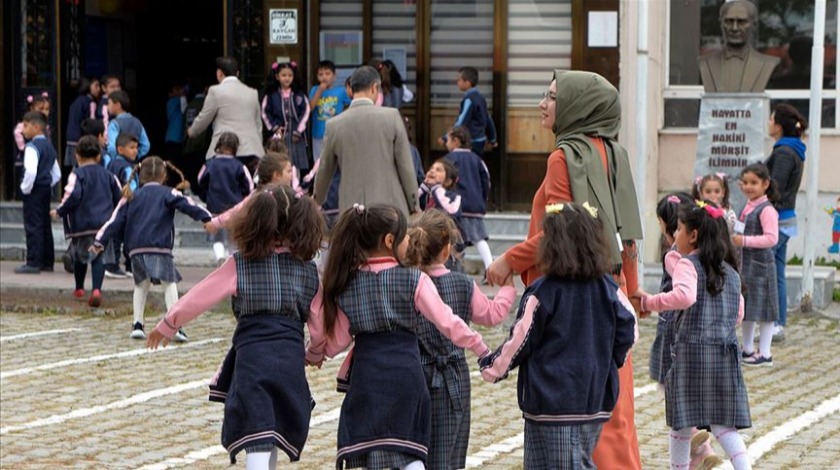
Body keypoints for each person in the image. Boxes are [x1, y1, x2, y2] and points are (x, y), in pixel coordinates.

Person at [485, 70, 644, 470]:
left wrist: (508, 261)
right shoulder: (614, 152)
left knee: (578, 407)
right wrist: (634, 290)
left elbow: (558, 233)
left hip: (569, 295)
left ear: (578, 107)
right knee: (613, 411)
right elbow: (626, 233)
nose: (543, 103)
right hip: (610, 289)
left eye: (553, 97)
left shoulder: (564, 156)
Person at [147, 184, 325, 469]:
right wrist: (315, 353)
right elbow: (319, 322)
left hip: (253, 357)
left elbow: (201, 295)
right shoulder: (308, 270)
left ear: (254, 220)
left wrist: (169, 323)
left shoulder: (240, 264)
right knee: (274, 425)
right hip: (289, 358)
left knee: (256, 427)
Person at [305, 204, 491, 470]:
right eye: (405, 236)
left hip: (366, 381)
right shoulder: (414, 279)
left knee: (373, 449)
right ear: (390, 241)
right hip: (407, 379)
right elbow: (448, 322)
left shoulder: (349, 284)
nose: (410, 241)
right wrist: (480, 347)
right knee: (409, 450)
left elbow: (335, 344)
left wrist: (314, 353)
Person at [480, 202, 636, 470]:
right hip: (594, 399)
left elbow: (520, 339)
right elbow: (629, 328)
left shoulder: (543, 292)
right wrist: (610, 361)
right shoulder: (609, 288)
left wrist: (494, 367)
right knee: (577, 458)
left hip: (551, 402)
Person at [637, 201, 752, 470]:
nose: (674, 235)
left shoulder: (688, 265)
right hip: (724, 357)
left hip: (692, 356)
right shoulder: (731, 272)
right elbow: (738, 315)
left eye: (678, 229)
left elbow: (685, 296)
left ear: (694, 235)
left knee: (681, 423)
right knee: (724, 426)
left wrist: (648, 302)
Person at [405, 209, 516, 470]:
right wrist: (508, 286)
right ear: (446, 250)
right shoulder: (463, 284)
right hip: (453, 377)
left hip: (415, 375)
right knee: (451, 450)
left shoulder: (408, 282)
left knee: (416, 447)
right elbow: (492, 314)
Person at [93, 156, 212, 341]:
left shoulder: (130, 196)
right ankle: (175, 326)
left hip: (136, 249)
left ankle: (137, 325)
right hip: (160, 246)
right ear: (164, 175)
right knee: (169, 284)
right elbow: (189, 206)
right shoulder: (169, 193)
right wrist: (208, 218)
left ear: (140, 175)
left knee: (141, 285)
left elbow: (114, 221)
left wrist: (99, 240)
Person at [649, 192, 724, 470]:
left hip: (674, 331)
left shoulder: (676, 257)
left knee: (672, 392)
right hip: (695, 334)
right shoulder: (703, 257)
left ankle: (699, 445)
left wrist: (647, 301)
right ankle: (699, 455)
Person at [313, 66, 418, 216]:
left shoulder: (333, 125)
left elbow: (324, 170)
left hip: (351, 209)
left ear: (350, 89)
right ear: (375, 88)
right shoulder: (392, 117)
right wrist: (414, 205)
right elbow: (406, 167)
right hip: (389, 207)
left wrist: (317, 201)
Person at [51, 135, 121, 306]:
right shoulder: (109, 175)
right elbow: (119, 196)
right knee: (98, 257)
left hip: (82, 224)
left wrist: (60, 211)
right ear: (99, 157)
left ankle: (79, 287)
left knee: (80, 256)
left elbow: (72, 195)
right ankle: (97, 289)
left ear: (77, 156)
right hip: (104, 225)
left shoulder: (77, 174)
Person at [765, 103, 807, 341]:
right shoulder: (795, 149)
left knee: (767, 274)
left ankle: (774, 324)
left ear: (779, 126)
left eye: (771, 120)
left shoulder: (783, 152)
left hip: (777, 220)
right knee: (777, 272)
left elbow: (775, 187)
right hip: (786, 218)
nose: (769, 123)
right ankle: (778, 323)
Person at [733, 163, 780, 367]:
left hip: (761, 266)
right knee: (749, 308)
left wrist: (744, 241)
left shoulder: (766, 209)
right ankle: (747, 348)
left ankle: (766, 353)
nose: (748, 187)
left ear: (765, 184)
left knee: (766, 310)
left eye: (753, 182)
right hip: (747, 266)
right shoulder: (747, 205)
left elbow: (771, 238)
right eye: (745, 182)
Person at [188, 56, 265, 176]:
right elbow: (258, 125)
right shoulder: (252, 92)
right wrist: (257, 144)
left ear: (219, 73)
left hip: (224, 150)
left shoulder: (215, 91)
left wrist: (192, 131)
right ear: (238, 73)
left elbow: (204, 117)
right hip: (251, 151)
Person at [195, 132, 254, 263]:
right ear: (235, 147)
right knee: (234, 239)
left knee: (217, 238)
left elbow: (200, 181)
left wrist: (206, 197)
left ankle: (220, 258)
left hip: (214, 206)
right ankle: (232, 262)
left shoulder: (210, 164)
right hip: (235, 209)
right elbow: (249, 187)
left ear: (218, 145)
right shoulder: (239, 166)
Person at [697, 0, 780, 93]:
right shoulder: (705, 63)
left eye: (741, 22)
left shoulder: (768, 64)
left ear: (754, 25)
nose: (734, 28)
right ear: (721, 24)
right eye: (729, 21)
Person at [444, 126, 494, 279]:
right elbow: (487, 181)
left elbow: (442, 182)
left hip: (455, 206)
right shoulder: (477, 159)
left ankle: (457, 273)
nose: (446, 143)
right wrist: (482, 199)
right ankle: (490, 270)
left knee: (455, 240)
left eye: (448, 139)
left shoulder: (448, 159)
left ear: (456, 141)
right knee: (479, 238)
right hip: (475, 206)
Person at [15, 111, 61, 274]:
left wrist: (25, 188)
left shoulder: (31, 147)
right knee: (45, 225)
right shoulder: (49, 146)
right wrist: (48, 184)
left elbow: (30, 172)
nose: (23, 130)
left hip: (33, 190)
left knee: (33, 225)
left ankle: (33, 261)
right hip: (45, 189)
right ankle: (47, 261)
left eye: (26, 126)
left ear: (36, 127)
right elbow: (57, 173)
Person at [205, 150, 293, 235]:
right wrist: (216, 223)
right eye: (289, 171)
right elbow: (236, 212)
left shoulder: (293, 196)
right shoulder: (257, 196)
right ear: (276, 175)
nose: (292, 175)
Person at [262, 61, 311, 183]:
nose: (287, 78)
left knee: (296, 165)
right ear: (277, 76)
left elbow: (306, 112)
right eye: (284, 75)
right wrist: (274, 127)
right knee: (279, 162)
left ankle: (295, 188)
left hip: (296, 136)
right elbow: (264, 113)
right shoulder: (271, 95)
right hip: (279, 135)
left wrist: (298, 131)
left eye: (290, 75)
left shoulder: (299, 94)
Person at [437, 67, 497, 156]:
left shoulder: (469, 99)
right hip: (481, 140)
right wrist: (492, 139)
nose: (457, 83)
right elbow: (488, 119)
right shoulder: (481, 98)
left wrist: (447, 137)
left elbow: (462, 120)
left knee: (466, 164)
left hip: (470, 141)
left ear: (467, 83)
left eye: (459, 80)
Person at [308, 60, 350, 163]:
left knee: (336, 160)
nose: (324, 77)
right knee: (319, 161)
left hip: (336, 132)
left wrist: (342, 114)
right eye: (320, 74)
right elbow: (310, 108)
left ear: (334, 75)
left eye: (327, 74)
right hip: (319, 133)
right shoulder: (314, 89)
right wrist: (320, 91)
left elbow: (351, 105)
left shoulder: (341, 91)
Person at [12, 93, 52, 199]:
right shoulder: (21, 129)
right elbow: (22, 146)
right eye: (41, 109)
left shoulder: (46, 128)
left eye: (47, 109)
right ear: (31, 108)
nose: (44, 112)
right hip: (25, 163)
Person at [105, 90, 151, 165]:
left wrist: (115, 160)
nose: (107, 106)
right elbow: (146, 145)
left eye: (109, 103)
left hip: (118, 165)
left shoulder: (114, 124)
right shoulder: (137, 122)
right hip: (133, 165)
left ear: (117, 105)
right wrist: (134, 155)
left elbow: (112, 148)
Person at [64, 77, 101, 169]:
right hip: (80, 138)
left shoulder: (78, 100)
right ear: (87, 87)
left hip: (72, 137)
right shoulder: (88, 102)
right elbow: (90, 123)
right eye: (96, 86)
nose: (99, 89)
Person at [164, 82, 187, 165]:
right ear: (170, 94)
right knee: (174, 163)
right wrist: (183, 93)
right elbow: (184, 94)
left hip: (173, 137)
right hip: (175, 138)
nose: (178, 92)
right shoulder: (173, 102)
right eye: (176, 90)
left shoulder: (174, 102)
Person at [96, 74, 121, 140]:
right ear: (104, 88)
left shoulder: (118, 101)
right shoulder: (104, 104)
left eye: (118, 86)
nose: (116, 89)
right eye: (112, 87)